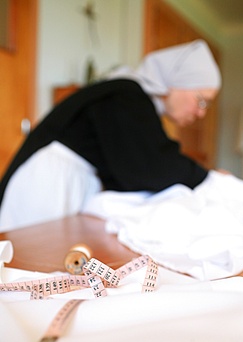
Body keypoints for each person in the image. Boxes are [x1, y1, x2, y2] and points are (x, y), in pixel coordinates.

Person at [0, 39, 221, 231]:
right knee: (27, 266)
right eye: (201, 100)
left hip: (66, 181)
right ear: (176, 83)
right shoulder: (126, 96)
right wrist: (209, 178)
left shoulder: (129, 97)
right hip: (49, 184)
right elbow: (152, 168)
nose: (201, 112)